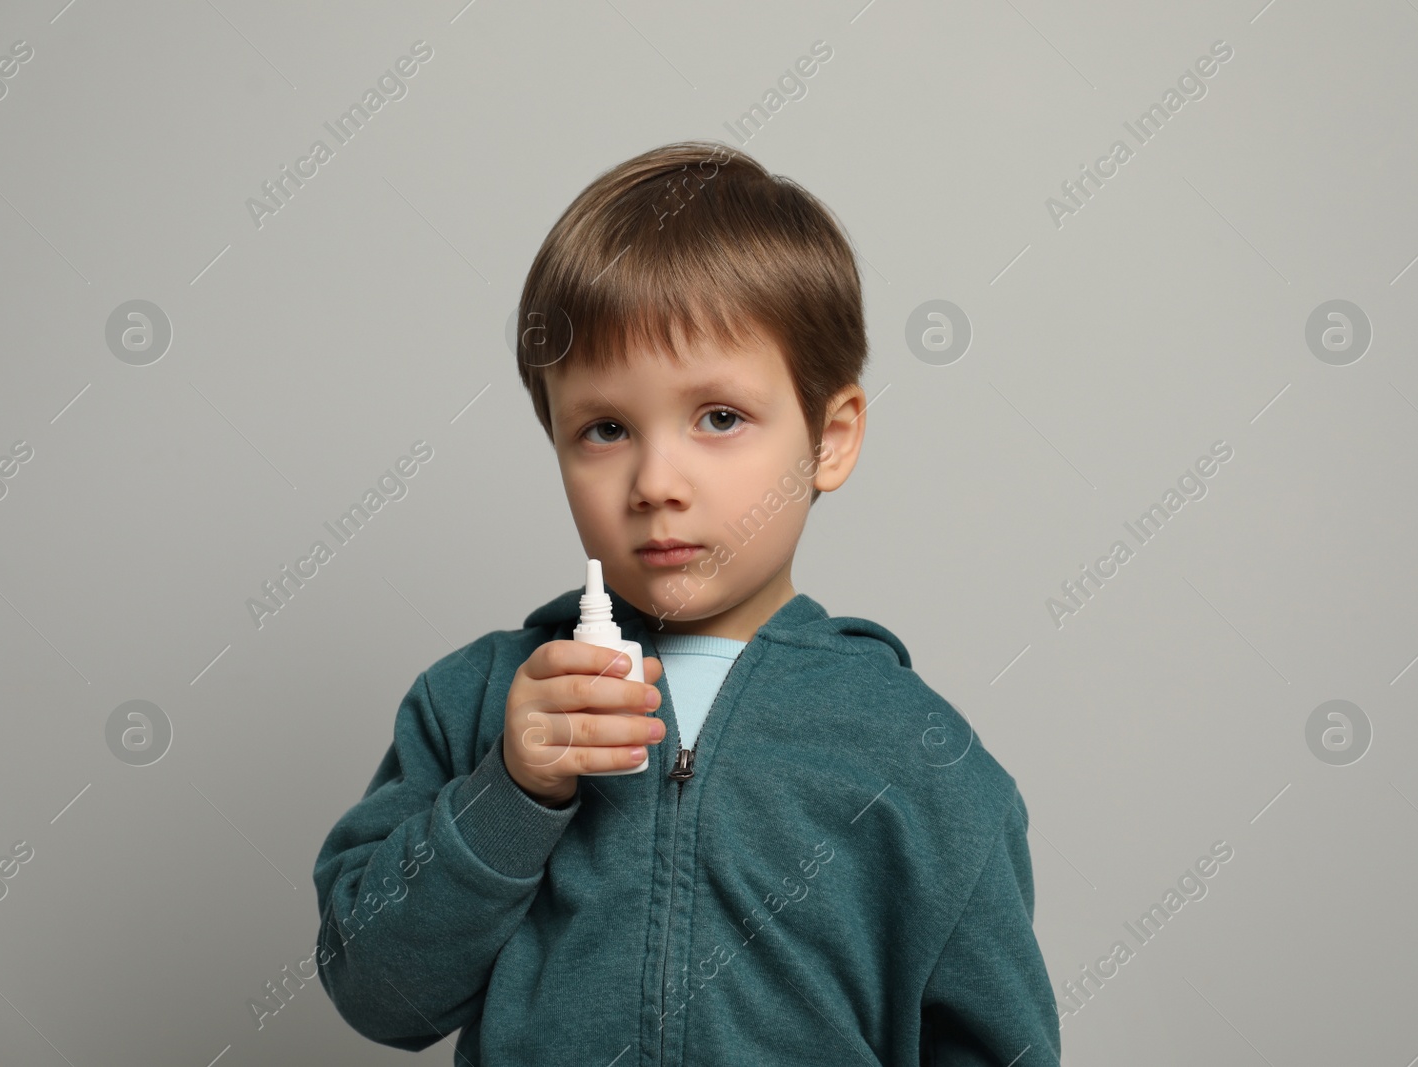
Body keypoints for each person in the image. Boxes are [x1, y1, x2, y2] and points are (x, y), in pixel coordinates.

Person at [312, 139, 1061, 1065]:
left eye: (718, 418)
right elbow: (376, 990)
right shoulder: (475, 705)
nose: (655, 480)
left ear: (830, 438)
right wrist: (508, 796)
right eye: (606, 428)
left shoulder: (921, 761)